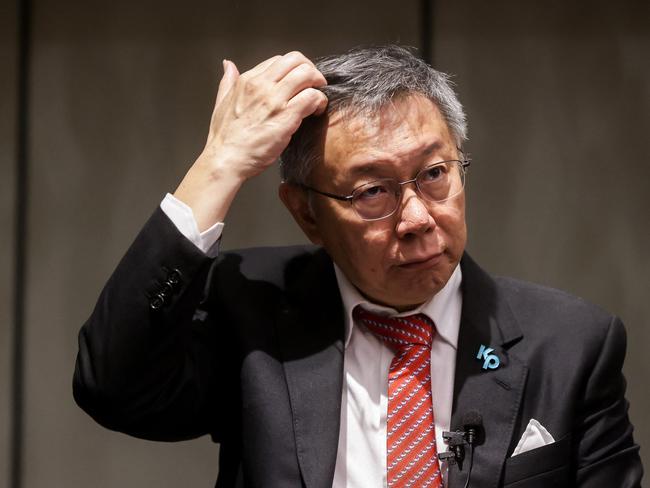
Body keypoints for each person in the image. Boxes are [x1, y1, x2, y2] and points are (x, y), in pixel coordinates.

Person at [73, 45, 643, 487]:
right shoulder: (253, 313)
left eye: (435, 173)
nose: (417, 216)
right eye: (372, 191)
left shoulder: (571, 346)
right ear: (307, 215)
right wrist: (219, 165)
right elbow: (113, 387)